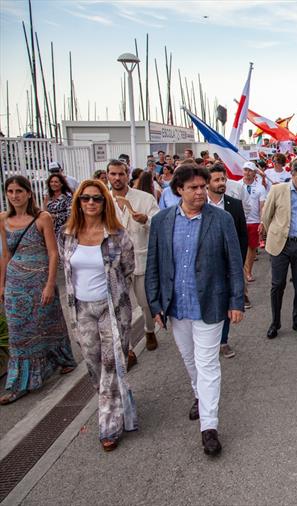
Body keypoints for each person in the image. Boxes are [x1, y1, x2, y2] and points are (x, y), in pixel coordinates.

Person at [146, 164, 245, 456]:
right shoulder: (162, 221)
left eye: (203, 186)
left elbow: (233, 264)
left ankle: (209, 427)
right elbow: (154, 266)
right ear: (179, 189)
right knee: (190, 360)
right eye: (194, 188)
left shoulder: (221, 219)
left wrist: (236, 301)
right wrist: (155, 305)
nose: (201, 192)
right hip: (176, 307)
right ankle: (199, 397)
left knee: (207, 364)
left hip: (211, 304)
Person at [58, 180, 137, 451]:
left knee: (111, 363)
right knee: (93, 365)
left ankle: (109, 426)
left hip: (112, 309)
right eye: (85, 198)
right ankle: (118, 399)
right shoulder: (67, 234)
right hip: (81, 309)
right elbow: (67, 270)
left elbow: (128, 268)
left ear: (105, 203)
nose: (90, 203)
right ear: (78, 202)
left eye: (96, 199)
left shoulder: (117, 234)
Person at [0, 176, 77, 405]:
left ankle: (62, 359)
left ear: (29, 193)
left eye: (19, 191)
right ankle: (19, 382)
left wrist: (50, 284)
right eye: (10, 191)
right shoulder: (3, 219)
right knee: (19, 332)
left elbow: (53, 252)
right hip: (15, 281)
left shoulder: (42, 218)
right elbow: (5, 255)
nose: (15, 196)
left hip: (40, 277)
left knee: (48, 322)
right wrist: (2, 284)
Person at [260, 158, 297, 339]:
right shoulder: (277, 190)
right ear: (292, 175)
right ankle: (275, 323)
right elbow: (267, 217)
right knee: (278, 285)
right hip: (281, 245)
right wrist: (276, 236)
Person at [107, 160, 161, 355]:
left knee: (145, 303)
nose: (117, 178)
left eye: (121, 174)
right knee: (119, 306)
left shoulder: (144, 198)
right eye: (113, 174)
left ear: (127, 174)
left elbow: (159, 222)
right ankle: (126, 347)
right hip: (114, 263)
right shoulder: (102, 200)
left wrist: (145, 220)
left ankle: (149, 330)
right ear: (108, 176)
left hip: (141, 259)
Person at [207, 164, 248, 359]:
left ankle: (223, 341)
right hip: (204, 267)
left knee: (225, 304)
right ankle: (207, 342)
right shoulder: (200, 205)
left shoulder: (234, 204)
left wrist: (238, 263)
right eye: (216, 180)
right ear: (207, 183)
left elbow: (242, 236)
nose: (221, 183)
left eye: (223, 179)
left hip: (227, 266)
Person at [241, 162, 269, 284]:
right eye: (245, 170)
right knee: (240, 247)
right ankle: (241, 271)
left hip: (254, 221)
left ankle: (248, 271)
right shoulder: (236, 185)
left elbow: (262, 206)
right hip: (240, 220)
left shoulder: (260, 188)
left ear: (254, 173)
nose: (247, 173)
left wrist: (262, 222)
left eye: (250, 170)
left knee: (252, 248)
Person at [44, 173, 73, 237]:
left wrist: (56, 216)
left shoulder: (67, 197)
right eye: (51, 182)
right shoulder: (48, 197)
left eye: (56, 182)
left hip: (63, 229)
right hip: (50, 229)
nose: (53, 184)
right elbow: (45, 212)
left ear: (61, 184)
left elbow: (70, 214)